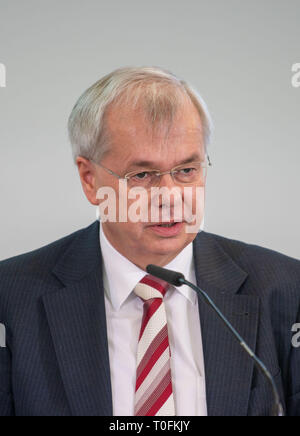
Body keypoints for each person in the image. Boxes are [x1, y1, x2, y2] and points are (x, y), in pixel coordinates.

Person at [0, 67, 299, 416]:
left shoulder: (287, 291)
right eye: (142, 175)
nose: (170, 197)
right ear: (89, 179)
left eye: (186, 171)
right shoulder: (9, 299)